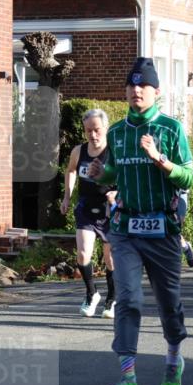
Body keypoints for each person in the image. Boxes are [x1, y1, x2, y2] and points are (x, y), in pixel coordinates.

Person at [87, 57, 193, 385]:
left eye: (143, 86)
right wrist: (99, 175)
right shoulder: (116, 133)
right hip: (126, 228)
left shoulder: (170, 128)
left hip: (162, 228)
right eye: (131, 85)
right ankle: (128, 380)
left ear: (156, 92)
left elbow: (190, 175)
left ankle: (174, 361)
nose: (136, 90)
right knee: (128, 298)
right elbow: (114, 173)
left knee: (168, 304)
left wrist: (161, 160)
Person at [61, 109, 117, 317]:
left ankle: (112, 298)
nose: (92, 135)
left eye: (97, 130)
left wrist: (117, 192)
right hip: (86, 207)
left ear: (106, 129)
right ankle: (92, 293)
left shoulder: (114, 151)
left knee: (110, 258)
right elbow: (71, 170)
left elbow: (126, 176)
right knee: (83, 253)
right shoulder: (79, 151)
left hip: (109, 209)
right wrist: (67, 196)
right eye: (88, 131)